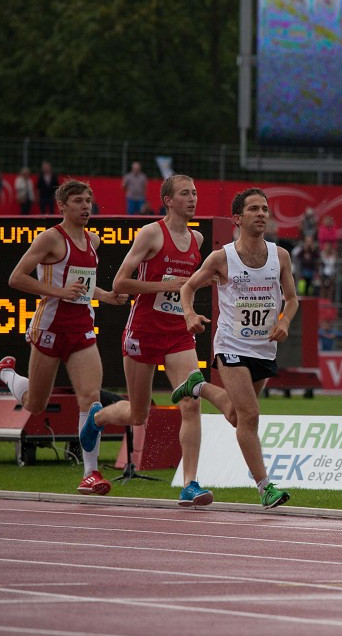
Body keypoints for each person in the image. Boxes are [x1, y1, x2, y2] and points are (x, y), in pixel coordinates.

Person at [78, 175, 236, 507]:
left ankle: (190, 484)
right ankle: (98, 418)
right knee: (138, 415)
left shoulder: (197, 237)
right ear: (168, 200)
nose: (192, 199)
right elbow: (121, 283)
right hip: (144, 331)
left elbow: (189, 284)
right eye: (185, 194)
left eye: (195, 193)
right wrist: (169, 285)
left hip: (178, 333)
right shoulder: (151, 233)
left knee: (191, 403)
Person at [0, 180, 129, 495]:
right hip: (48, 329)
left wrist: (104, 296)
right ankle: (6, 372)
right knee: (36, 404)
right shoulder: (50, 239)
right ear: (62, 206)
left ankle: (90, 474)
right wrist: (58, 292)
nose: (86, 206)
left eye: (89, 200)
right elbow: (16, 278)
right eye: (78, 201)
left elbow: (84, 285)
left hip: (82, 330)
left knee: (90, 399)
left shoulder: (93, 240)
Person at [172, 188, 298, 510]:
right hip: (231, 344)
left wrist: (283, 322)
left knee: (234, 415)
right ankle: (265, 487)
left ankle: (196, 386)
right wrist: (189, 313)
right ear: (238, 218)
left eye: (265, 209)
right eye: (254, 209)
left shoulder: (279, 256)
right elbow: (187, 288)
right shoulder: (222, 258)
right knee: (251, 415)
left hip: (264, 348)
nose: (261, 214)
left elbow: (292, 299)